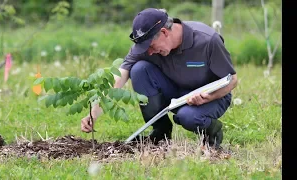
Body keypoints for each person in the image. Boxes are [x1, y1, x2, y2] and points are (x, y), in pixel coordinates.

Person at [81, 8, 238, 149]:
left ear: (164, 32)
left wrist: (207, 97)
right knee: (139, 69)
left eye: (151, 47)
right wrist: (94, 112)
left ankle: (212, 132)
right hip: (175, 90)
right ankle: (160, 132)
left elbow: (232, 80)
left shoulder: (207, 40)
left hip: (210, 96)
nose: (148, 52)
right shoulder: (145, 46)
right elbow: (120, 76)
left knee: (187, 116)